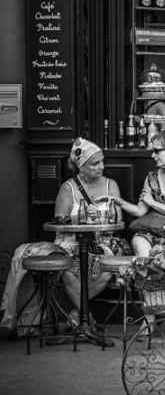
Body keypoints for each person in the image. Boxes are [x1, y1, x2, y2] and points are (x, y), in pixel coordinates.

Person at [0, 137, 125, 334]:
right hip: (71, 243)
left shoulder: (112, 186)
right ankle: (88, 320)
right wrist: (72, 221)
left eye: (102, 162)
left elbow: (119, 220)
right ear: (81, 166)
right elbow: (59, 223)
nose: (101, 167)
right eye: (94, 163)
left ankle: (77, 316)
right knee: (67, 269)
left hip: (104, 242)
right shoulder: (68, 189)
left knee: (109, 267)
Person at [107, 129, 165, 259]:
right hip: (153, 231)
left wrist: (152, 202)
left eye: (157, 151)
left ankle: (150, 276)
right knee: (138, 241)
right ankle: (147, 275)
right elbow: (140, 211)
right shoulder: (151, 177)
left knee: (161, 257)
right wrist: (117, 200)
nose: (152, 156)